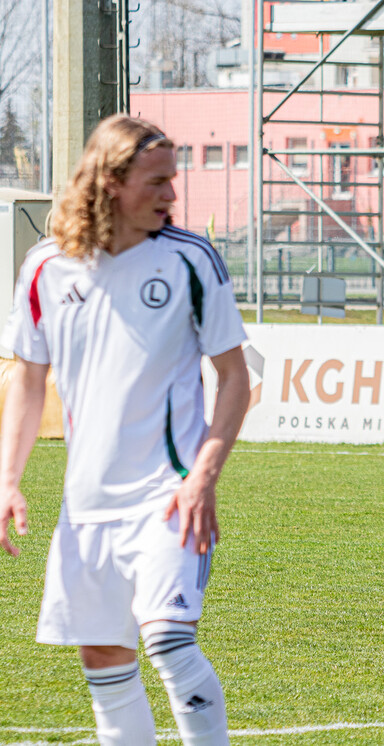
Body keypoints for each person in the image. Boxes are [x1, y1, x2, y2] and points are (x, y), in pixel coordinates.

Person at [0, 115, 249, 745]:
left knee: (167, 639)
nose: (172, 195)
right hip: (85, 509)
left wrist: (203, 477)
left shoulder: (192, 260)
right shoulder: (45, 269)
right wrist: (8, 480)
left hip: (170, 497)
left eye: (173, 180)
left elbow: (234, 377)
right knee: (104, 659)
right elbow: (28, 380)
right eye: (157, 181)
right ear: (110, 182)